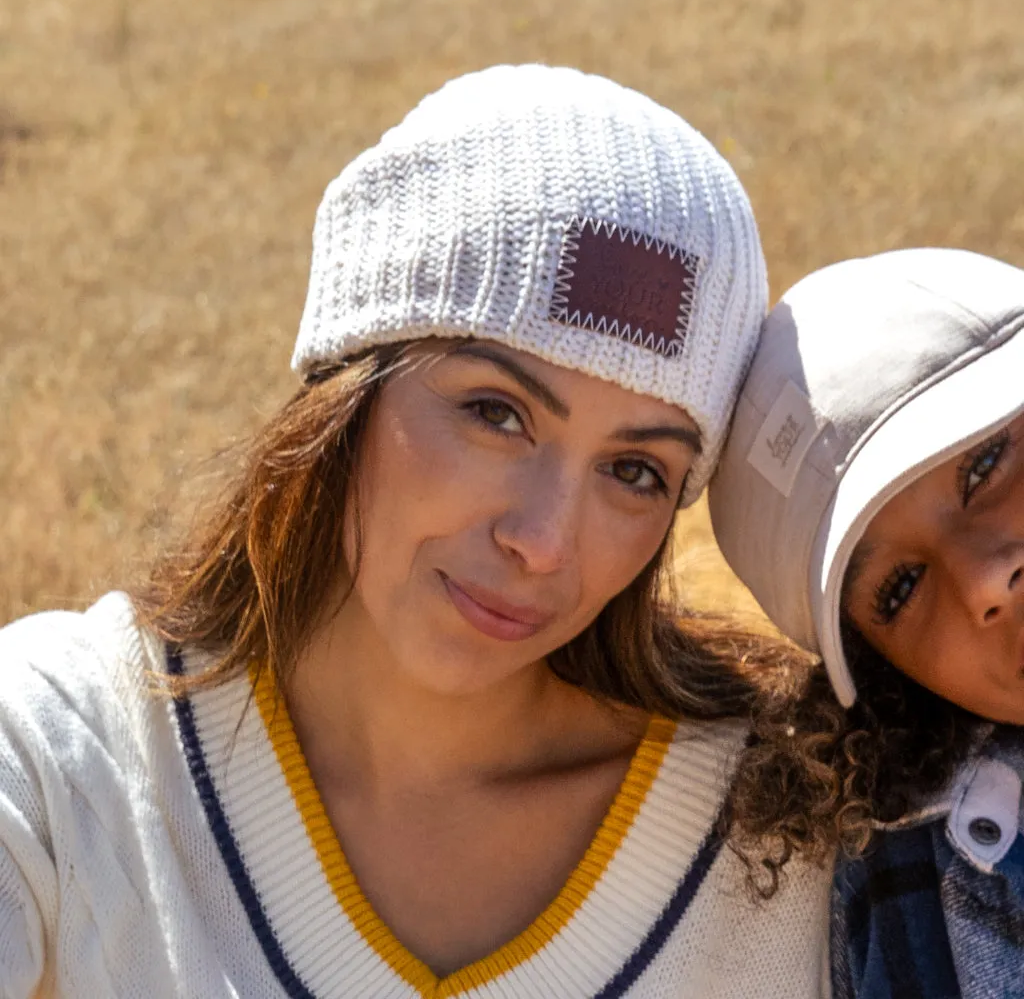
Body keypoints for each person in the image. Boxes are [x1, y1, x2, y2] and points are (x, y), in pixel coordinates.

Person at [0, 65, 832, 997]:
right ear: (348, 383)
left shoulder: (794, 836)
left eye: (634, 472)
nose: (545, 541)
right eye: (496, 412)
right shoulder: (61, 753)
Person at [709, 247, 1024, 999]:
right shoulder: (920, 887)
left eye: (983, 467)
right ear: (892, 679)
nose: (984, 579)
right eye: (901, 589)